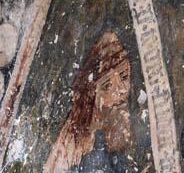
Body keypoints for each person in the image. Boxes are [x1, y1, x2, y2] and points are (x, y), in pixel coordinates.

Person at [45, 31, 132, 173]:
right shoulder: (73, 144)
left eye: (124, 76)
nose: (121, 90)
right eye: (108, 85)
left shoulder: (123, 123)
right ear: (92, 94)